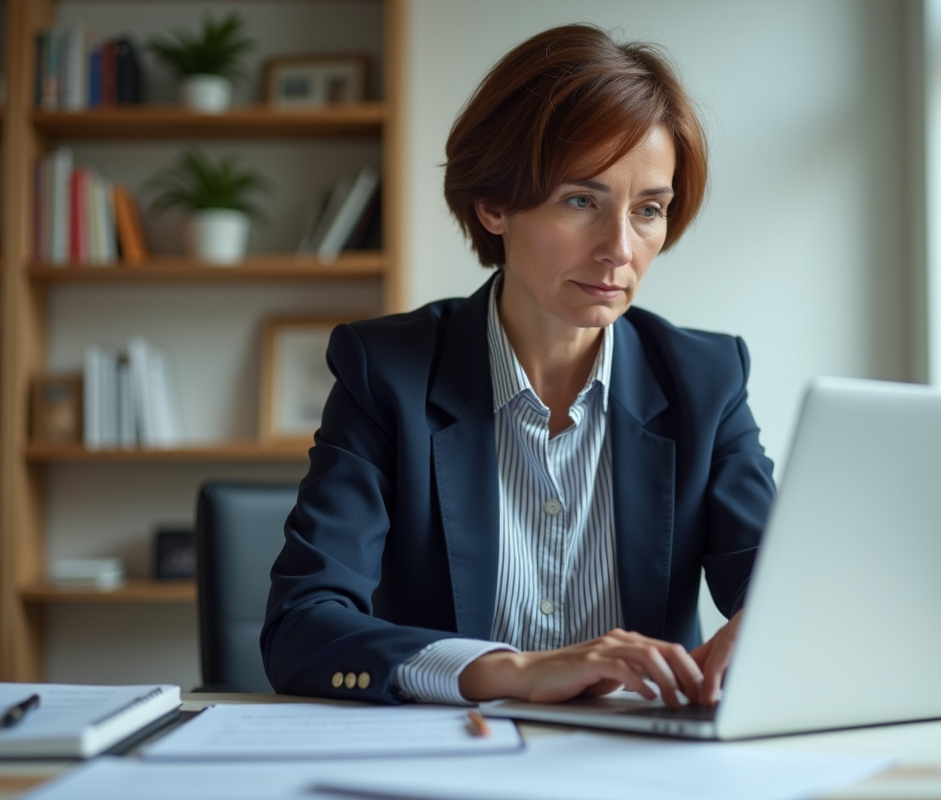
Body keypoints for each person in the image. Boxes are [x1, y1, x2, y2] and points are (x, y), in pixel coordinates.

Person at [261, 23, 775, 709]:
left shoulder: (706, 380)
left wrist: (770, 629)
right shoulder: (387, 373)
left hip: (643, 768)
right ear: (493, 204)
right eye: (581, 201)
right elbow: (302, 625)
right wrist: (511, 672)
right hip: (455, 760)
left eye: (649, 209)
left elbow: (777, 589)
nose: (619, 248)